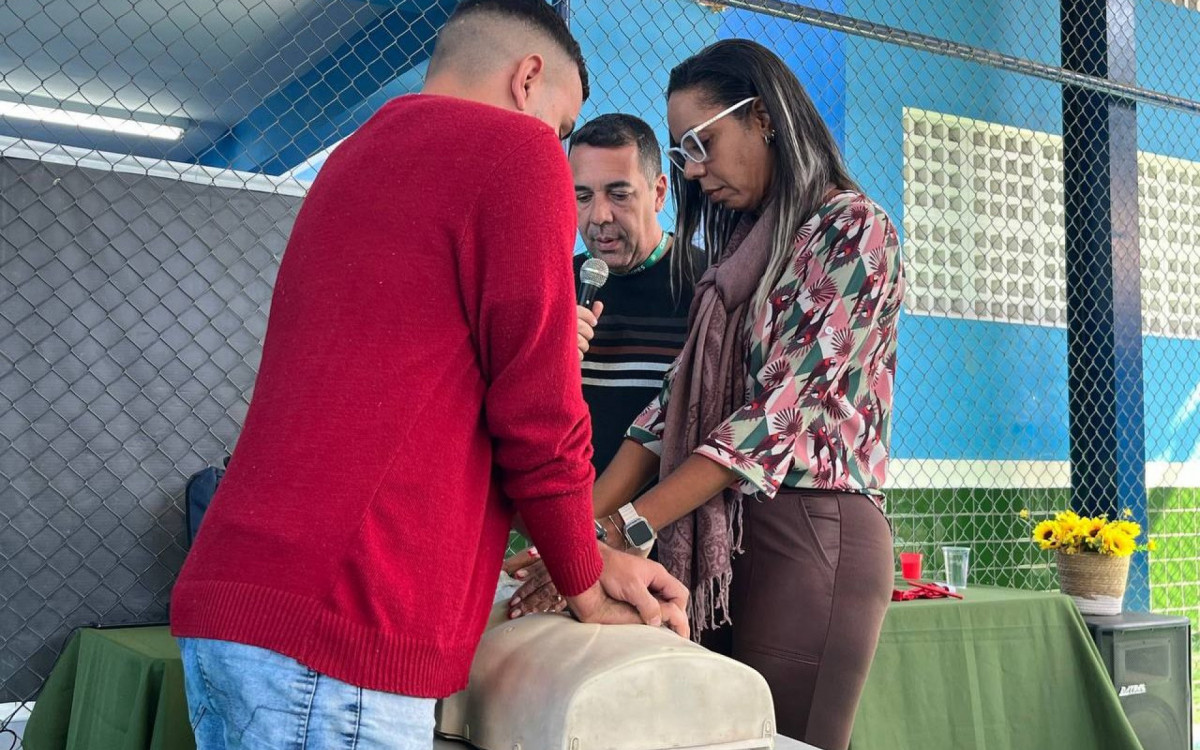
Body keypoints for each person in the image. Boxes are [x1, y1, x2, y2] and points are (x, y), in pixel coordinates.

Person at [169, 2, 689, 748]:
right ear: (528, 78)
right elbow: (538, 414)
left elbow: (430, 416)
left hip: (235, 601)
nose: (556, 148)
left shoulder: (355, 157)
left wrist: (586, 549)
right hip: (345, 624)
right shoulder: (516, 151)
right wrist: (585, 583)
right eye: (562, 126)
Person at [508, 39, 904, 750]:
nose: (693, 169)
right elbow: (672, 404)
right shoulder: (740, 254)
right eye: (682, 150)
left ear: (764, 118)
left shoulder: (853, 230)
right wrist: (573, 536)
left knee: (782, 740)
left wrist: (624, 528)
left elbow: (774, 418)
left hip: (811, 527)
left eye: (702, 144)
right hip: (720, 526)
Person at [570, 114, 694, 472]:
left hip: (668, 502)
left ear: (659, 193)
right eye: (583, 196)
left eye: (619, 195)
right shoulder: (554, 285)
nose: (600, 216)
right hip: (570, 498)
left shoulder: (707, 286)